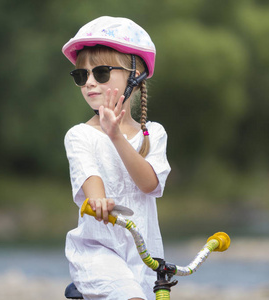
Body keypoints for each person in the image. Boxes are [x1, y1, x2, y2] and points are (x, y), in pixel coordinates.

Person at [62, 16, 171, 300]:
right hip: (98, 251)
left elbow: (148, 184)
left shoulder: (153, 134)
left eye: (100, 73)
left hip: (144, 254)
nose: (89, 83)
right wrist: (98, 201)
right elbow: (91, 183)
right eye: (80, 75)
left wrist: (116, 135)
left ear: (135, 75)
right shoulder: (79, 136)